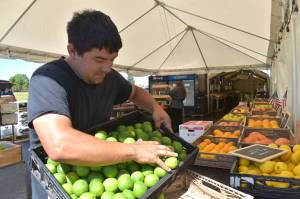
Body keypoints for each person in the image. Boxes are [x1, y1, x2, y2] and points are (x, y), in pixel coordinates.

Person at [27, 10, 176, 198]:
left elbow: (136, 92)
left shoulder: (109, 78)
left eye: (112, 60)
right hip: (57, 187)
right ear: (72, 51)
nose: (108, 68)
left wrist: (155, 107)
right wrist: (134, 151)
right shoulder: (48, 80)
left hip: (105, 174)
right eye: (99, 59)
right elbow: (60, 145)